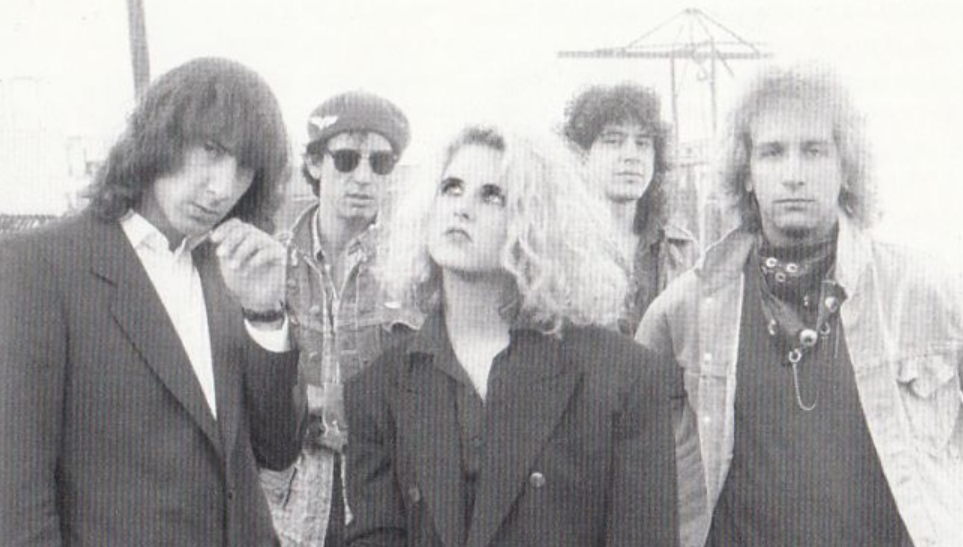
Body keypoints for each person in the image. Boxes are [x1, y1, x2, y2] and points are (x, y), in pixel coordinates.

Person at [636, 62, 963, 546]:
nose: (793, 175)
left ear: (846, 166)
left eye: (814, 151)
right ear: (746, 173)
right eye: (772, 153)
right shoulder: (683, 312)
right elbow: (638, 476)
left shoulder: (927, 293)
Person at [0, 57, 306, 546]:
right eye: (211, 150)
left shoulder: (231, 268)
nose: (222, 187)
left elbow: (278, 450)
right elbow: (16, 498)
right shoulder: (39, 265)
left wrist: (265, 315)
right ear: (159, 135)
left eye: (244, 167)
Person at [344, 125, 678, 546]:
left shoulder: (625, 377)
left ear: (535, 223)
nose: (462, 209)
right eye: (451, 188)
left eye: (492, 195)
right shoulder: (379, 388)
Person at [260, 90, 419, 546]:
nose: (363, 177)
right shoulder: (271, 260)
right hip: (288, 504)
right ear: (314, 164)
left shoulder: (414, 268)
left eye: (380, 163)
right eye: (346, 159)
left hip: (383, 497)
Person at [563, 83, 698, 335]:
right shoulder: (560, 247)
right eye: (613, 141)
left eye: (643, 143)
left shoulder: (683, 249)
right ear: (581, 154)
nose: (631, 155)